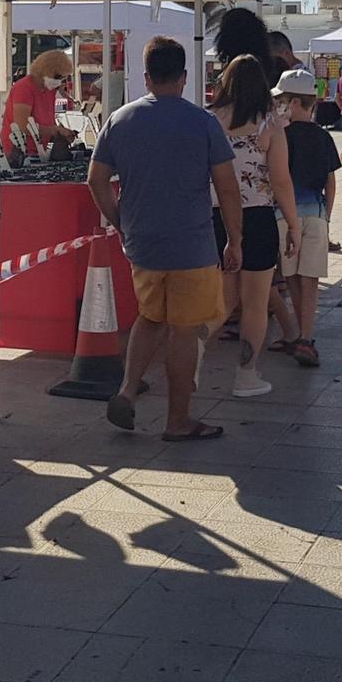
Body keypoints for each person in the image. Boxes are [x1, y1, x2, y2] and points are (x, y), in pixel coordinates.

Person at [92, 37, 240, 441]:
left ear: (146, 77)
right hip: (191, 243)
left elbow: (97, 180)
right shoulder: (203, 122)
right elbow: (227, 187)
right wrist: (235, 240)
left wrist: (120, 220)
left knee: (151, 316)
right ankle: (178, 420)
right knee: (184, 329)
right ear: (184, 77)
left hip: (143, 242)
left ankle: (127, 389)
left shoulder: (120, 120)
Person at [208, 56, 301, 398]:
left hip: (215, 216)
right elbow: (281, 180)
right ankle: (246, 375)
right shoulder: (269, 124)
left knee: (222, 300)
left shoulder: (209, 120)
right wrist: (293, 226)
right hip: (257, 217)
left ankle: (192, 354)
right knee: (256, 301)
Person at [273, 68, 337, 367]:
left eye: (283, 100)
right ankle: (306, 337)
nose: (279, 106)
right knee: (310, 280)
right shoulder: (323, 137)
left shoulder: (280, 137)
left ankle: (300, 334)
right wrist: (328, 217)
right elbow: (330, 180)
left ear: (296, 103)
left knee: (293, 279)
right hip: (316, 214)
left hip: (284, 216)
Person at [2, 50, 77, 157]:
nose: (60, 81)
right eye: (58, 77)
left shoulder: (49, 90)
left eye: (63, 78)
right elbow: (23, 126)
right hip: (17, 152)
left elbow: (47, 122)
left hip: (39, 151)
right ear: (46, 71)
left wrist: (62, 133)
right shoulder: (24, 88)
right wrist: (55, 130)